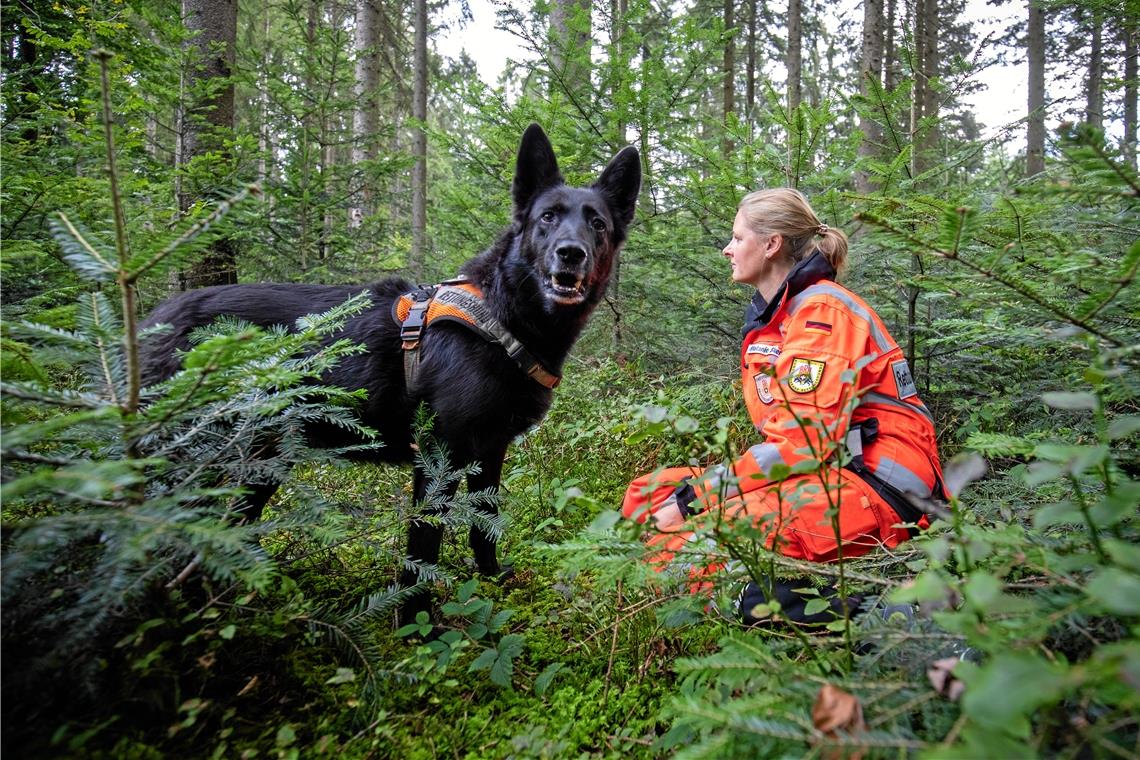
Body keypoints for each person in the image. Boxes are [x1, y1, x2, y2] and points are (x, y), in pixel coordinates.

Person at [621, 188, 945, 626]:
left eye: (737, 238)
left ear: (771, 244)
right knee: (649, 495)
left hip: (878, 486)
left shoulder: (822, 315)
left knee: (704, 547)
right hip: (828, 470)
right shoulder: (783, 318)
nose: (727, 249)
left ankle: (907, 625)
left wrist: (699, 497)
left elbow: (803, 443)